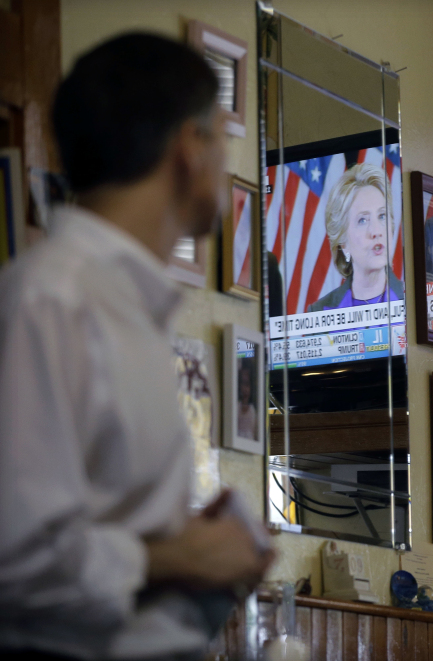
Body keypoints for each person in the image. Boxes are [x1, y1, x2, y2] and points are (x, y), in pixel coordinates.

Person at [0, 33, 274, 660]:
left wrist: (189, 543)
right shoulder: (54, 299)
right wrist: (185, 556)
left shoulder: (126, 306)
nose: (224, 157)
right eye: (221, 135)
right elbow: (14, 560)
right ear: (189, 147)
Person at [307, 163, 404, 312]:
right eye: (363, 220)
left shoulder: (413, 299)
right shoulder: (319, 312)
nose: (376, 231)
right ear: (343, 242)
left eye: (382, 216)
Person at [236, 359, 257, 440]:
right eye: (242, 384)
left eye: (247, 384)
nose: (245, 389)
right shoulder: (235, 409)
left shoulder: (253, 412)